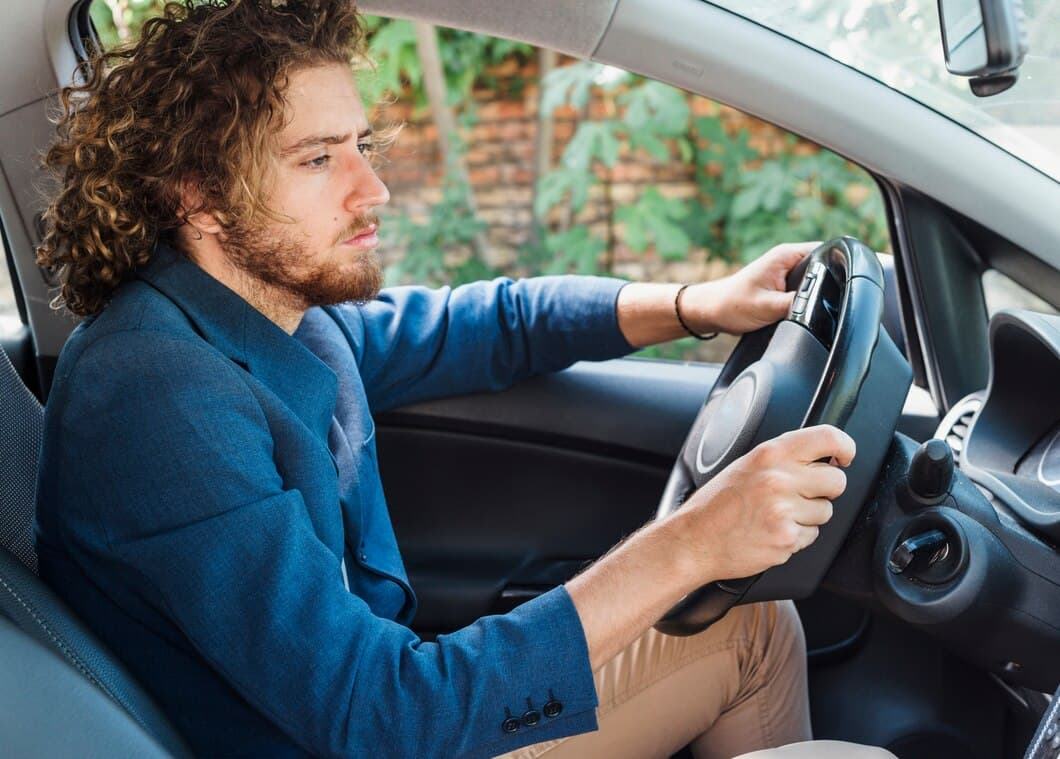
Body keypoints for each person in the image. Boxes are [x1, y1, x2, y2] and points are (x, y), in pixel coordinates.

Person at [33, 1, 895, 757]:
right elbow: (381, 716)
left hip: (378, 720)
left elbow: (487, 324)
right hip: (368, 737)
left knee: (749, 620)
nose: (373, 187)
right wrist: (692, 543)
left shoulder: (270, 314)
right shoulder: (156, 395)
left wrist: (693, 301)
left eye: (363, 146)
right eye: (318, 158)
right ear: (199, 197)